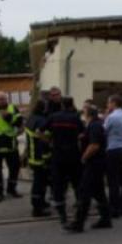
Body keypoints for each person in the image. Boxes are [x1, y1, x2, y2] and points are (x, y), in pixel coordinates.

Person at [65, 104, 112, 233]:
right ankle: (106, 219)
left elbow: (94, 145)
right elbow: (88, 138)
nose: (82, 114)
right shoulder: (93, 125)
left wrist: (84, 157)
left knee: (84, 192)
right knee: (98, 192)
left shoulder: (95, 125)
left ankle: (78, 223)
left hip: (94, 163)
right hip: (98, 163)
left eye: (84, 112)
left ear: (89, 114)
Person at [45, 96, 83, 224]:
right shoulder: (76, 118)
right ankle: (79, 209)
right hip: (73, 155)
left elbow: (40, 131)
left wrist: (49, 141)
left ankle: (62, 215)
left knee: (58, 185)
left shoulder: (53, 117)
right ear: (72, 105)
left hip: (58, 156)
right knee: (77, 182)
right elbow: (82, 134)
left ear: (61, 105)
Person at [24, 99, 52, 217]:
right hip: (41, 156)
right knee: (39, 183)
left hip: (32, 155)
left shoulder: (31, 118)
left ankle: (41, 203)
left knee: (40, 181)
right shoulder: (42, 121)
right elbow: (45, 139)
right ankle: (37, 209)